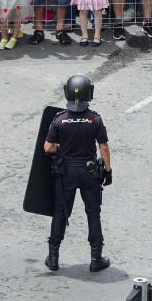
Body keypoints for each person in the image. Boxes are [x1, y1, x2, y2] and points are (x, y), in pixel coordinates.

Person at [43, 75, 112, 273]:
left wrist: (61, 148)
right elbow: (104, 147)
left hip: (66, 173)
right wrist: (108, 171)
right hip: (89, 173)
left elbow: (47, 147)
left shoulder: (59, 120)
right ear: (88, 94)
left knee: (60, 214)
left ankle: (54, 258)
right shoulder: (95, 119)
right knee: (93, 214)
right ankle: (96, 258)